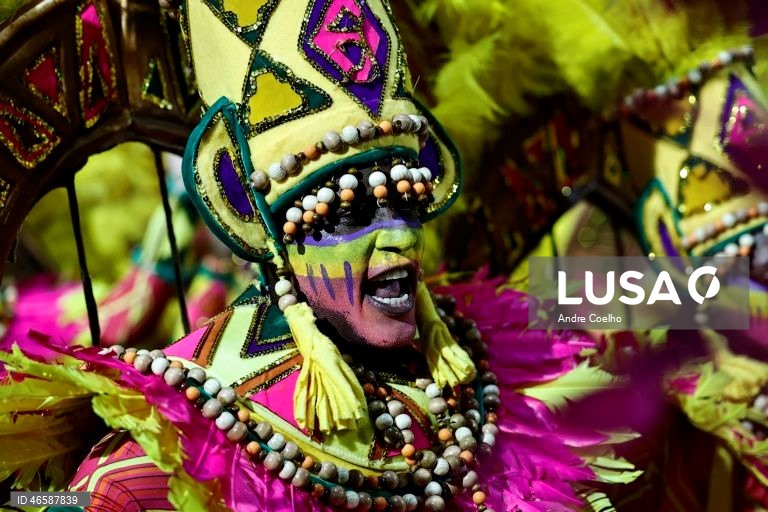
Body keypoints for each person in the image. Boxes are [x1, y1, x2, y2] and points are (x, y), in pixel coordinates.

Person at [0, 0, 638, 510]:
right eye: (352, 211)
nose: (401, 240)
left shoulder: (481, 358)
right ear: (255, 221)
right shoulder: (188, 420)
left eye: (407, 200)